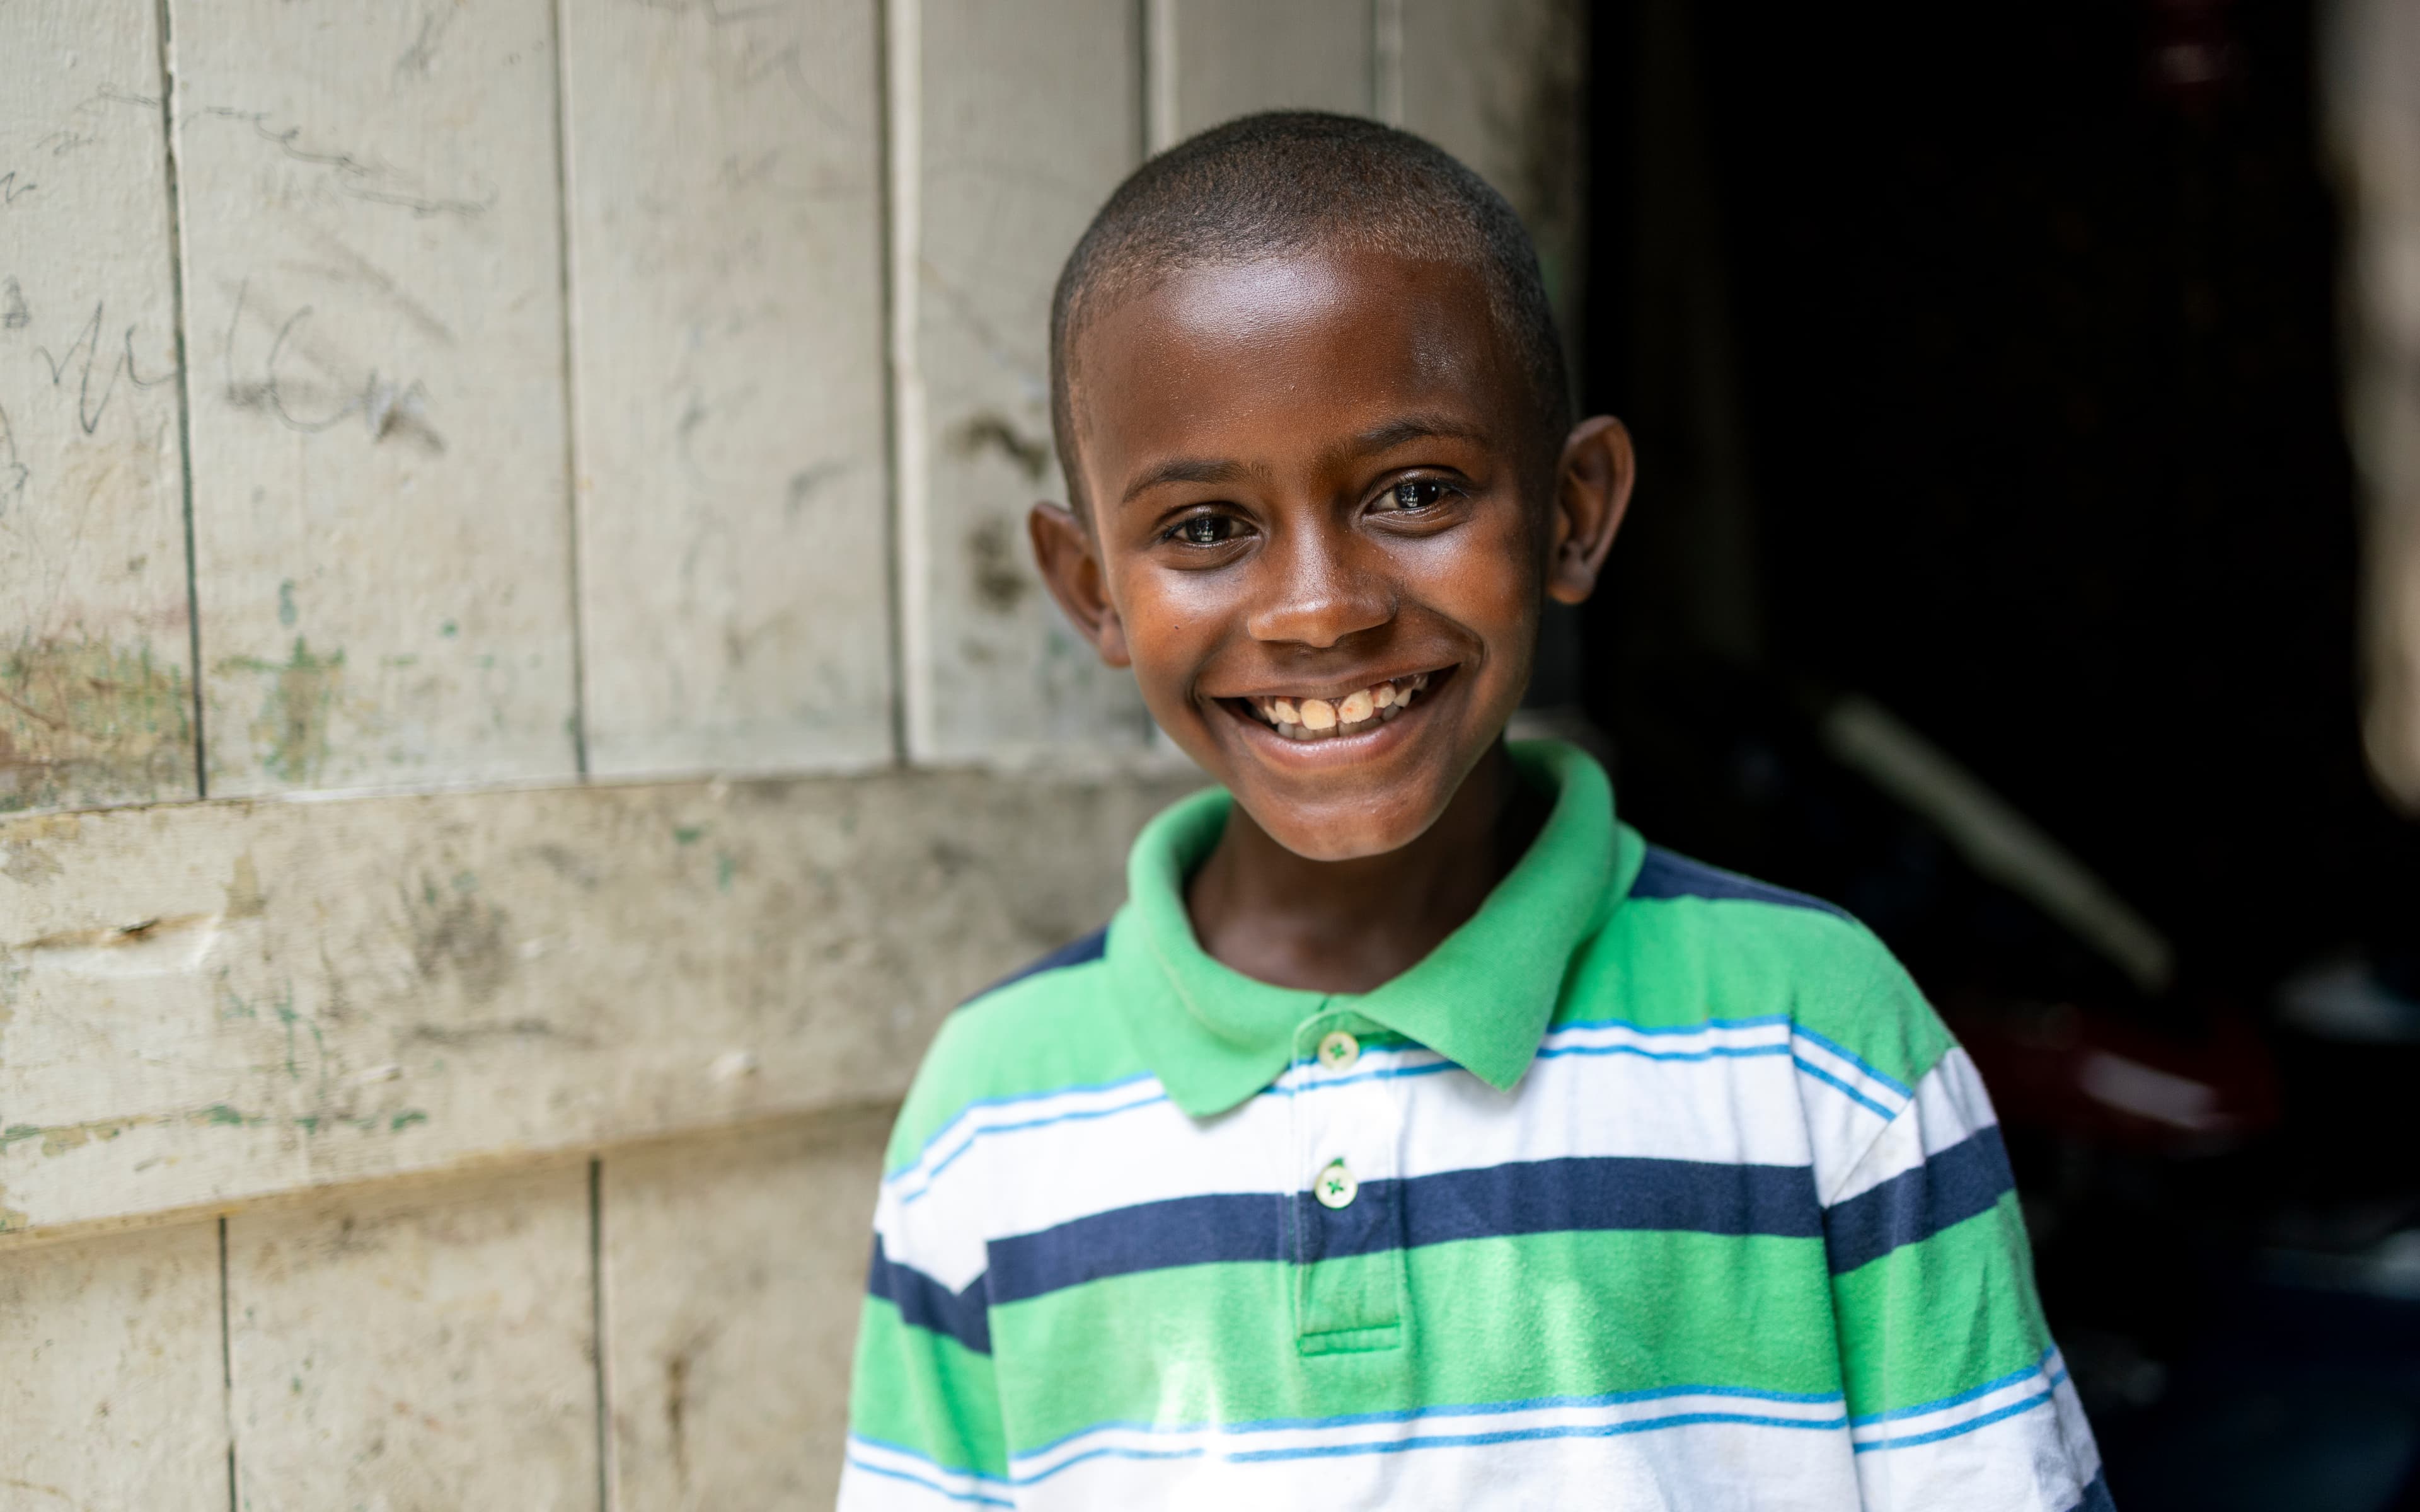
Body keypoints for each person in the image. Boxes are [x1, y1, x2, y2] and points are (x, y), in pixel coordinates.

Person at [838, 112, 2109, 1511]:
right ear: (1092, 591)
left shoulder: (1816, 1039)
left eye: (1415, 491)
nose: (1320, 608)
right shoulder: (991, 1109)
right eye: (1205, 527)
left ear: (1572, 513)